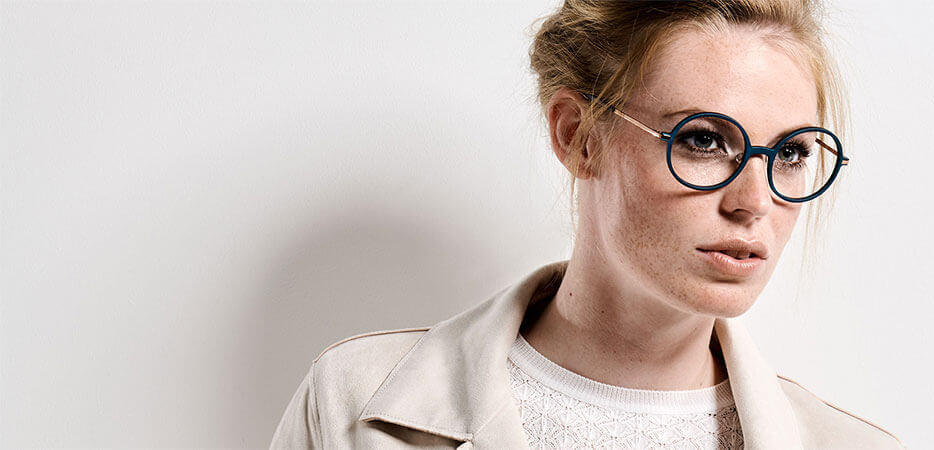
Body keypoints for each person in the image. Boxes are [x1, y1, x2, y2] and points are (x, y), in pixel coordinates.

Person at [269, 0, 901, 448]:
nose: (753, 200)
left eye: (791, 153)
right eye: (704, 140)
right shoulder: (352, 402)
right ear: (578, 136)